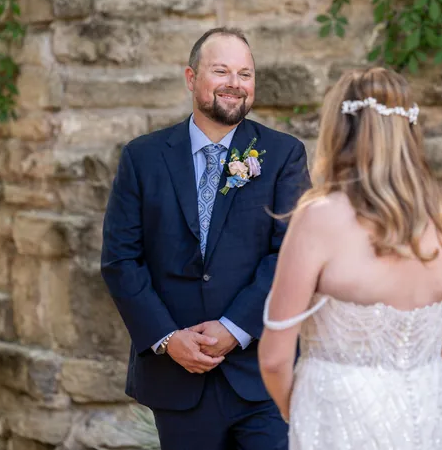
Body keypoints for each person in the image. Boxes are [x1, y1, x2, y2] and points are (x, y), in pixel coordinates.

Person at [100, 27, 310, 450]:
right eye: (221, 70)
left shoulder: (284, 154)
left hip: (261, 375)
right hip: (177, 377)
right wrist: (167, 338)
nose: (235, 83)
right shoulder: (142, 157)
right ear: (191, 77)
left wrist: (234, 328)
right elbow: (121, 260)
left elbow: (291, 253)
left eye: (246, 74)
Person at [258, 67, 442, 449]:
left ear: (339, 132)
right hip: (425, 410)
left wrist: (300, 410)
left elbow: (275, 359)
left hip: (336, 414)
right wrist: (408, 373)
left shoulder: (318, 218)